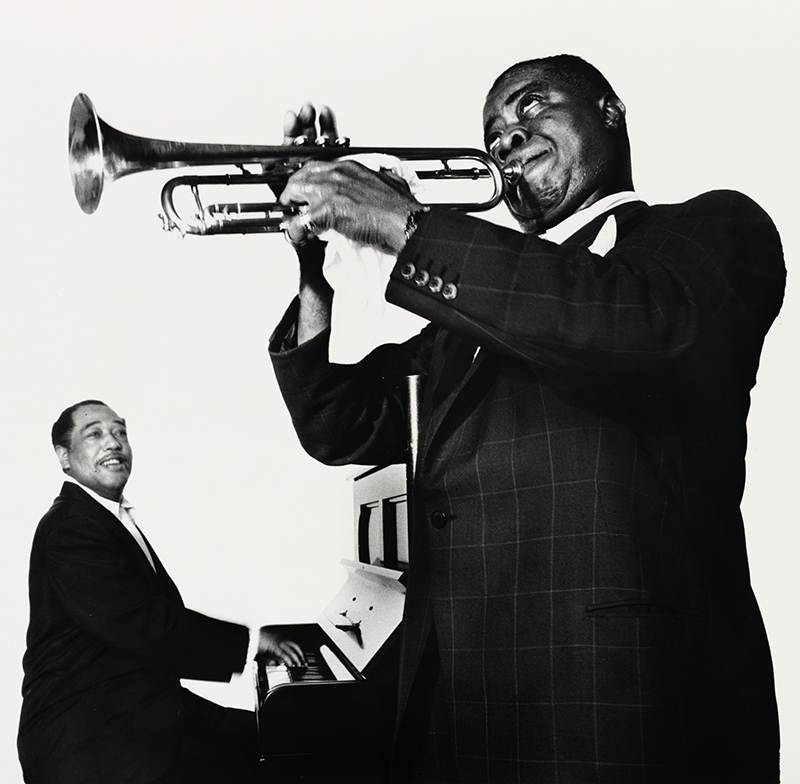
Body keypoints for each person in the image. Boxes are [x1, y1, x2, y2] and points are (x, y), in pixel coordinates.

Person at [267, 54, 785, 783]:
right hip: (454, 718)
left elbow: (630, 324)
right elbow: (338, 425)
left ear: (609, 111)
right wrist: (313, 271)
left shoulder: (709, 231)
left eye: (532, 106)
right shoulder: (459, 323)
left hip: (610, 710)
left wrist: (404, 226)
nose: (507, 136)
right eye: (494, 130)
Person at [18, 400, 305, 784]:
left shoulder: (101, 518)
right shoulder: (70, 528)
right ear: (64, 457)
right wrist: (250, 643)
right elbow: (145, 625)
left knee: (284, 739)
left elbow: (139, 654)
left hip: (136, 710)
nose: (114, 443)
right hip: (92, 742)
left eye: (120, 432)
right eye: (95, 434)